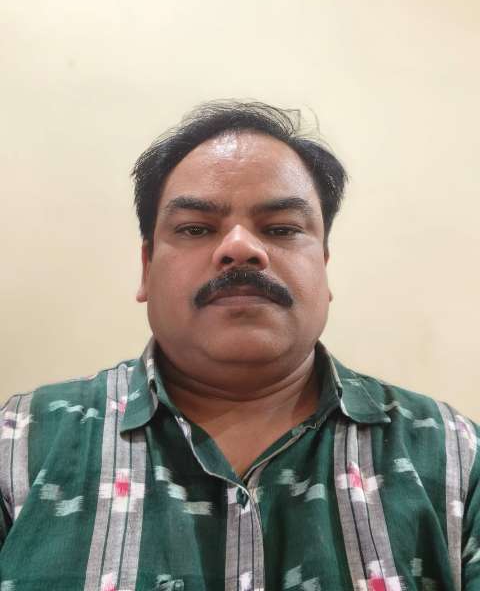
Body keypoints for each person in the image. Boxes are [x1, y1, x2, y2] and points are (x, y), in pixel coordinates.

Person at [1, 101, 479, 591]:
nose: (240, 248)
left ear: (324, 265)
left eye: (281, 229)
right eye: (195, 228)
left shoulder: (456, 455)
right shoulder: (17, 443)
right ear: (146, 268)